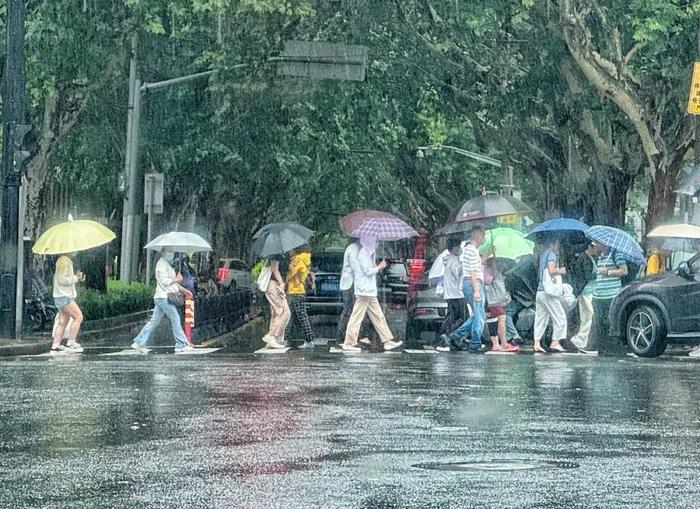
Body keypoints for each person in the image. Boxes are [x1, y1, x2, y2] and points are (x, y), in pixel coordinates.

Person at [342, 235, 403, 352]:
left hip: (368, 289)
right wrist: (379, 266)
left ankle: (387, 340)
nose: (376, 242)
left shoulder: (360, 250)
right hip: (364, 290)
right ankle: (349, 342)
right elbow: (368, 271)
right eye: (374, 240)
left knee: (378, 316)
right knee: (357, 316)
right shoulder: (363, 252)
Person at [131, 248, 194, 354]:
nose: (171, 253)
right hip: (163, 297)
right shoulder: (161, 264)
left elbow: (173, 284)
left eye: (172, 251)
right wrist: (177, 279)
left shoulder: (166, 264)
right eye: (169, 251)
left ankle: (139, 342)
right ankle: (180, 344)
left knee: (154, 321)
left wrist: (185, 291)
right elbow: (165, 282)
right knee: (175, 318)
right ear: (163, 252)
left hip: (163, 297)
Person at [440, 226, 488, 354]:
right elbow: (472, 271)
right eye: (482, 235)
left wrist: (487, 255)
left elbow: (475, 267)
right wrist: (477, 290)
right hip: (474, 284)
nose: (484, 238)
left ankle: (454, 336)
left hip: (472, 283)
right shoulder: (471, 250)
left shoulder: (471, 251)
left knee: (478, 315)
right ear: (477, 235)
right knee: (479, 316)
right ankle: (475, 343)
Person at [584, 245, 628, 353]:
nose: (595, 245)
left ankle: (613, 347)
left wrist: (608, 272)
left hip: (611, 295)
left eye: (597, 243)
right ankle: (600, 347)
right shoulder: (600, 256)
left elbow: (624, 271)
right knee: (599, 323)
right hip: (598, 295)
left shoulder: (616, 254)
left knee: (611, 323)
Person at [533, 239, 567, 353]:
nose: (558, 247)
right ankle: (555, 342)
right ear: (551, 244)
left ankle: (536, 343)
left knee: (540, 318)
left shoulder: (543, 255)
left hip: (540, 291)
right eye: (557, 244)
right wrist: (561, 271)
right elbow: (551, 271)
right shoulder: (551, 254)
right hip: (549, 293)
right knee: (560, 317)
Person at [50, 253, 86, 355]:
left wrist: (77, 277)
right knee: (78, 317)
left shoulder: (64, 261)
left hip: (61, 296)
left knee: (63, 322)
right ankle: (71, 343)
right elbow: (62, 279)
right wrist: (75, 278)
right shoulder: (64, 262)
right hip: (64, 296)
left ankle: (55, 346)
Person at [483, 256, 520, 352]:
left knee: (492, 320)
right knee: (502, 318)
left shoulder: (490, 267)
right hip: (492, 298)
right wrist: (494, 272)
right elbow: (487, 280)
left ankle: (496, 344)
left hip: (492, 298)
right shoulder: (487, 267)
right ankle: (504, 344)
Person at [435, 238, 465, 352]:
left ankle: (445, 335)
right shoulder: (453, 260)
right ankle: (448, 336)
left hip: (452, 293)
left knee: (451, 316)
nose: (460, 249)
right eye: (457, 247)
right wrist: (463, 265)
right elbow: (458, 273)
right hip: (456, 293)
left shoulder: (450, 260)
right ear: (452, 248)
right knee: (460, 317)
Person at [570, 242, 598, 350]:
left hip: (585, 291)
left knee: (586, 317)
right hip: (586, 291)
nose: (597, 250)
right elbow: (587, 276)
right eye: (595, 247)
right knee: (588, 316)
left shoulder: (587, 257)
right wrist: (599, 273)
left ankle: (580, 340)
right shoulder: (585, 258)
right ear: (590, 246)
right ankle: (581, 340)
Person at [285, 247, 315, 349]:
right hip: (299, 291)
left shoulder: (297, 260)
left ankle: (309, 339)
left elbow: (290, 276)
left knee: (299, 316)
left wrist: (289, 268)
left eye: (290, 250)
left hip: (295, 291)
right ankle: (286, 338)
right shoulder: (305, 260)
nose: (288, 252)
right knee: (293, 316)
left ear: (294, 250)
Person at [261, 252, 291, 349]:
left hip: (275, 285)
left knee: (277, 313)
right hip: (274, 285)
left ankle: (275, 339)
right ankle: (272, 336)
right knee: (283, 311)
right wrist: (281, 283)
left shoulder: (281, 254)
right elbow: (275, 270)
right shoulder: (275, 253)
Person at [337, 238, 360, 344]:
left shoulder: (350, 248)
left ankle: (345, 336)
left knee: (350, 310)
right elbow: (356, 268)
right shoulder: (354, 249)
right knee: (350, 310)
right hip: (351, 284)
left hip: (348, 283)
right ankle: (343, 336)